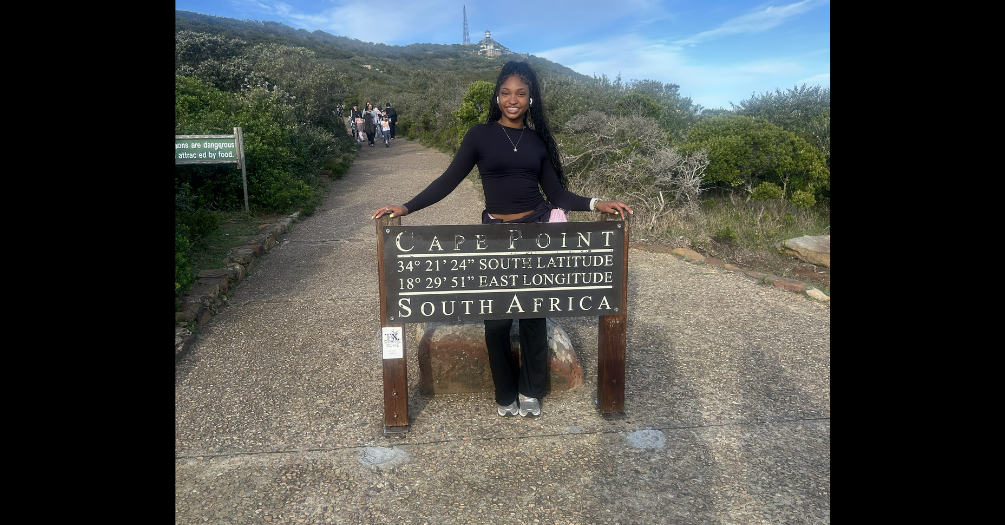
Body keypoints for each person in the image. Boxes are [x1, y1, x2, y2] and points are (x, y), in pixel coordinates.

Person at [372, 61, 632, 418]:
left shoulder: (537, 140)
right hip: (495, 236)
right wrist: (406, 207)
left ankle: (530, 390)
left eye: (521, 94)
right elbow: (448, 181)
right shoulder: (480, 135)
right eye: (507, 92)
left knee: (533, 316)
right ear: (497, 96)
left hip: (535, 232)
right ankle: (505, 391)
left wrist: (595, 203)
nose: (513, 100)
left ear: (530, 100)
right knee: (494, 320)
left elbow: (556, 192)